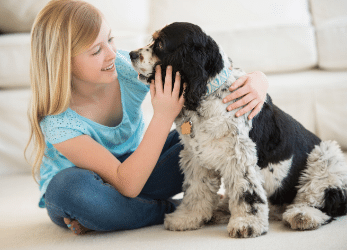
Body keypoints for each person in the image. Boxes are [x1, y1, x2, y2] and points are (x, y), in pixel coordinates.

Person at [26, 0, 269, 235]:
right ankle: (162, 209)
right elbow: (127, 184)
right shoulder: (58, 122)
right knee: (68, 190)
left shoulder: (121, 66)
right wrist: (163, 116)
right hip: (91, 187)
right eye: (97, 50)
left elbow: (202, 76)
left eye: (110, 40)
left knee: (195, 135)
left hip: (142, 171)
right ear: (62, 63)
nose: (112, 53)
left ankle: (114, 215)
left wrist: (257, 79)